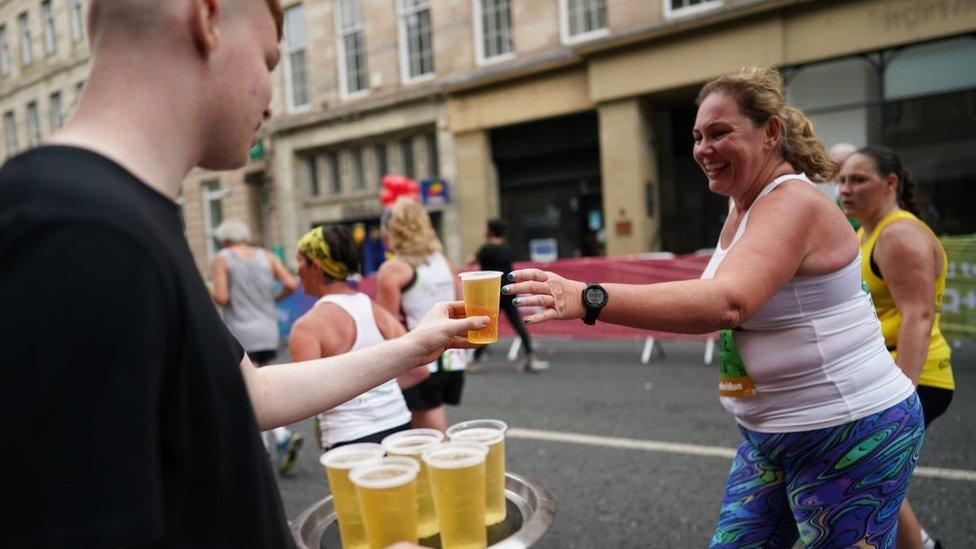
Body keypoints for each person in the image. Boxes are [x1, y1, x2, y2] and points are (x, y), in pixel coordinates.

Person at [0, 1, 487, 546]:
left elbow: (250, 393)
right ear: (206, 17)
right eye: (268, 59)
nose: (271, 100)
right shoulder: (75, 231)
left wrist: (414, 345)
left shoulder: (117, 213)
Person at [504, 67, 924, 548]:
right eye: (698, 136)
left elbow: (728, 302)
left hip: (844, 427)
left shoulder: (793, 203)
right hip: (769, 433)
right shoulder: (741, 202)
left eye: (720, 133)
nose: (704, 149)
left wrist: (588, 298)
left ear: (770, 133)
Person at [839, 146, 954, 549]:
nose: (845, 189)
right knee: (872, 474)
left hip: (915, 378)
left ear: (890, 183)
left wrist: (899, 395)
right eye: (842, 180)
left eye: (858, 179)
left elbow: (917, 316)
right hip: (882, 376)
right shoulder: (864, 231)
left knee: (862, 474)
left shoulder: (899, 235)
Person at [289, 225, 428, 451]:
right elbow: (418, 370)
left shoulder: (307, 328)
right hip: (399, 425)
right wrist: (379, 391)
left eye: (300, 261)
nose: (297, 269)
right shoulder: (377, 311)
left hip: (349, 436)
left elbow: (301, 399)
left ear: (316, 266)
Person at [211, 219, 304, 473]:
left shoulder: (222, 257)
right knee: (260, 386)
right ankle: (277, 439)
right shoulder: (266, 255)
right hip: (267, 329)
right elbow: (291, 284)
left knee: (251, 391)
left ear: (224, 240)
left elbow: (221, 296)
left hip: (241, 332)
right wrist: (270, 300)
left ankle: (275, 441)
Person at [377, 198, 468, 432]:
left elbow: (385, 325)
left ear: (393, 231)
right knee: (430, 430)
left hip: (420, 362)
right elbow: (461, 305)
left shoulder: (394, 269)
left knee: (431, 440)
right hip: (453, 359)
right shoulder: (444, 262)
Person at [469, 217, 549, 372]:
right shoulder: (507, 248)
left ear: (490, 230)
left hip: (491, 293)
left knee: (487, 326)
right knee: (518, 325)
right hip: (508, 290)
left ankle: (474, 361)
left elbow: (471, 260)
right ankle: (530, 357)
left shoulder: (486, 248)